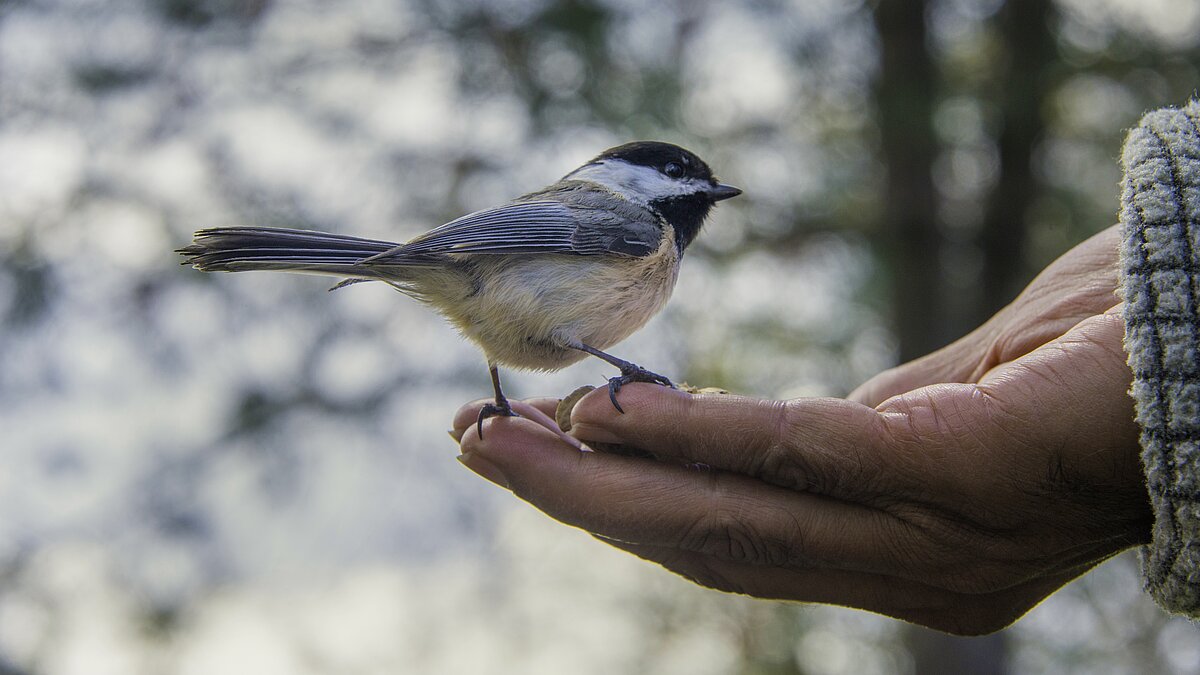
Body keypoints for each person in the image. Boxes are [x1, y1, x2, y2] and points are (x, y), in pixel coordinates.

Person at [450, 102, 1200, 635]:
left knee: (527, 348)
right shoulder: (632, 220)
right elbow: (527, 244)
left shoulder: (636, 223)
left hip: (488, 287)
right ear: (637, 178)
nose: (701, 191)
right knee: (586, 355)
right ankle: (525, 399)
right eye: (684, 174)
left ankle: (503, 405)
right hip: (491, 268)